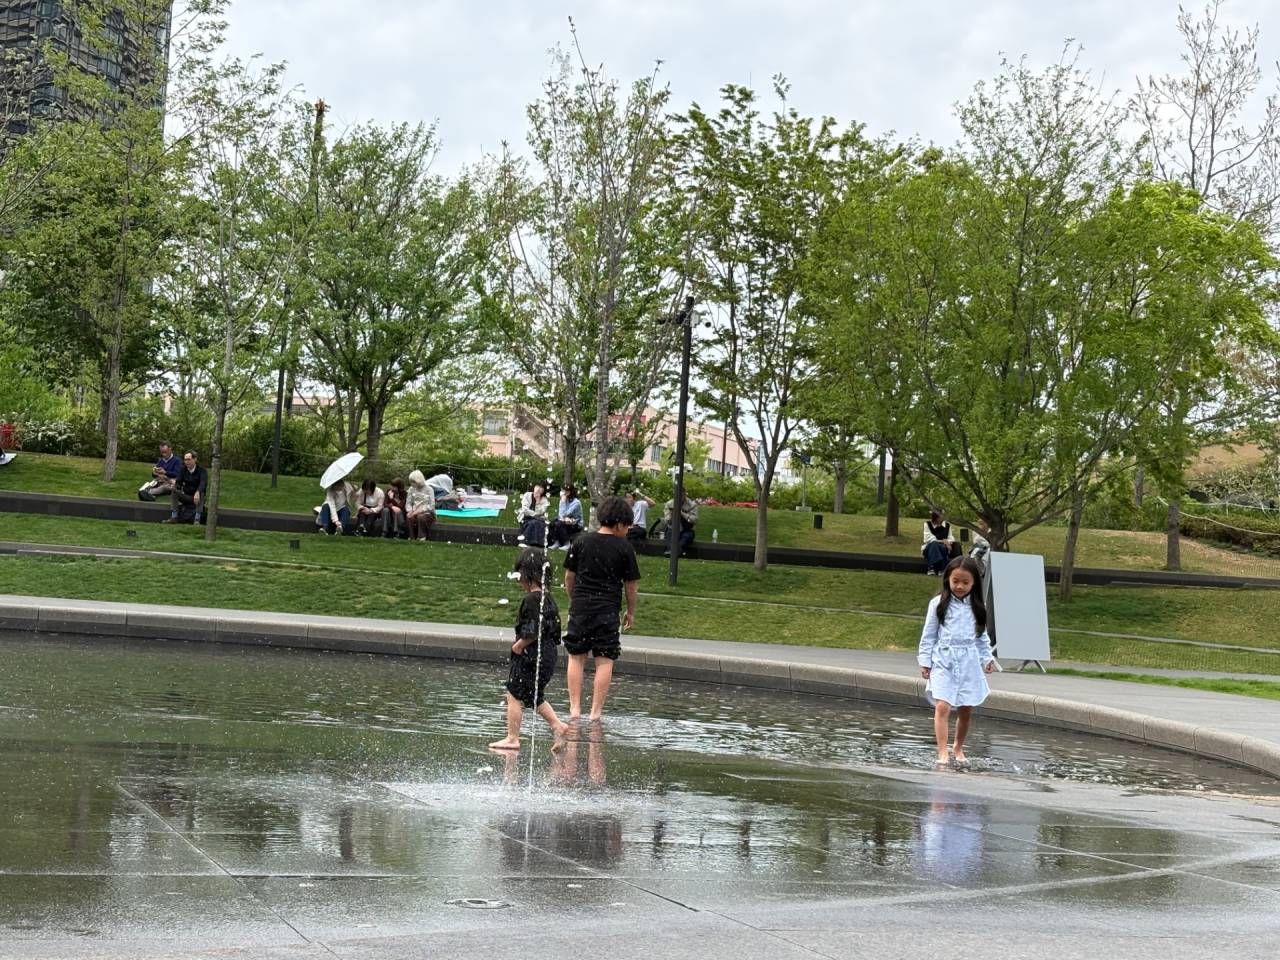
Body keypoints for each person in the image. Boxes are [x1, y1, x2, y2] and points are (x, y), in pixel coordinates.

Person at [563, 495, 640, 721]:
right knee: (605, 660)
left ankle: (574, 709)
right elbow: (631, 585)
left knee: (576, 656)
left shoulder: (581, 542)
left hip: (580, 608)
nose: (628, 530)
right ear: (619, 523)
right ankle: (595, 713)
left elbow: (569, 576)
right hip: (607, 611)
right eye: (627, 526)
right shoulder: (625, 548)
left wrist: (574, 599)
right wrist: (630, 611)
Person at [917, 556, 997, 771]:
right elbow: (928, 635)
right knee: (942, 705)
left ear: (974, 583)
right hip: (944, 660)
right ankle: (942, 751)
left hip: (969, 661)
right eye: (955, 581)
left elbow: (981, 637)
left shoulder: (978, 606)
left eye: (965, 582)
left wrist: (987, 658)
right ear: (948, 580)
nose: (960, 586)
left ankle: (958, 747)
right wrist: (925, 661)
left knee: (966, 708)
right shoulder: (938, 604)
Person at [489, 549, 570, 751]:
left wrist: (519, 646)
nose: (518, 579)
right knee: (533, 695)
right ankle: (558, 726)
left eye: (519, 574)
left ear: (528, 575)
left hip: (531, 655)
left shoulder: (532, 600)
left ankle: (512, 738)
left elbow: (533, 630)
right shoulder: (548, 598)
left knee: (514, 693)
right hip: (547, 654)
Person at [164, 451, 206, 524]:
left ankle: (197, 519)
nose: (186, 462)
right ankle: (174, 517)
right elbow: (179, 483)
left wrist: (197, 492)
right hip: (186, 495)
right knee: (174, 491)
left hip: (197, 497)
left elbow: (203, 483)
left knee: (201, 493)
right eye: (185, 460)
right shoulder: (183, 470)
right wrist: (175, 486)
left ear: (195, 459)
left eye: (189, 459)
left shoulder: (202, 470)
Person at [921, 510, 960, 575]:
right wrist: (942, 541)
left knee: (942, 547)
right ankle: (941, 567)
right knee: (934, 544)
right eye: (941, 515)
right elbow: (927, 539)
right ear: (936, 517)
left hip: (943, 547)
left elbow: (951, 538)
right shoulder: (927, 524)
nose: (943, 517)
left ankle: (931, 568)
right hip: (929, 549)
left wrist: (947, 542)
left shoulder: (947, 525)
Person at [548, 484, 582, 550]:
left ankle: (567, 543)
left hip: (576, 523)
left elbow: (565, 514)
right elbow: (560, 515)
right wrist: (562, 501)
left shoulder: (576, 503)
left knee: (559, 524)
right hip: (566, 520)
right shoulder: (563, 500)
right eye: (561, 490)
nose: (561, 492)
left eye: (563, 491)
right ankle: (556, 542)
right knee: (553, 522)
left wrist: (563, 502)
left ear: (569, 492)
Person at [516, 481, 549, 548]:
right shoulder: (527, 495)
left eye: (541, 487)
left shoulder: (544, 501)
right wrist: (534, 515)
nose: (538, 489)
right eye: (537, 486)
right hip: (525, 517)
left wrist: (537, 501)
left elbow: (541, 511)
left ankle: (536, 543)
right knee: (533, 522)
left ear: (544, 490)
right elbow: (525, 509)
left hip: (538, 519)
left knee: (538, 523)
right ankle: (524, 541)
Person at [405, 470, 436, 541]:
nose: (411, 484)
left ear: (418, 480)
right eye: (411, 482)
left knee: (420, 517)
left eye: (413, 482)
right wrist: (410, 511)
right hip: (414, 511)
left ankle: (421, 536)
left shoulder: (429, 489)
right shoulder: (411, 489)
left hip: (428, 513)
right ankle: (411, 537)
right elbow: (408, 503)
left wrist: (419, 511)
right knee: (408, 517)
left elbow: (431, 506)